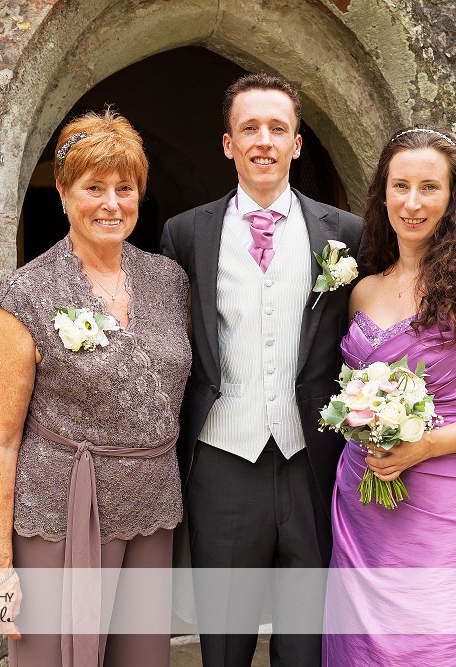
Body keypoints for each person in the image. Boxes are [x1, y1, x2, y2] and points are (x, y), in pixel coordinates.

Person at [160, 73, 362, 667]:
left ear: (297, 144)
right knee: (224, 642)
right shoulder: (185, 233)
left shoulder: (346, 233)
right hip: (223, 460)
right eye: (250, 128)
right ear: (229, 144)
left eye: (278, 128)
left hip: (313, 459)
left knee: (307, 642)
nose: (264, 141)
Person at [0, 109, 191, 667]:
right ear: (64, 193)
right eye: (94, 188)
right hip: (59, 513)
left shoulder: (168, 281)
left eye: (125, 188)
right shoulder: (27, 293)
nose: (111, 204)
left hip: (152, 506)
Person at [322, 125, 456, 665]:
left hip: (449, 505)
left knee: (445, 646)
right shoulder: (363, 291)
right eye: (400, 186)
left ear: (453, 198)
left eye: (429, 187)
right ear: (383, 194)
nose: (413, 203)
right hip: (364, 504)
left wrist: (426, 445)